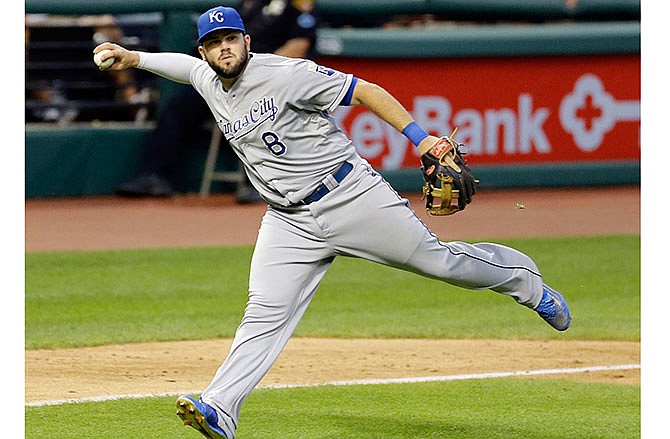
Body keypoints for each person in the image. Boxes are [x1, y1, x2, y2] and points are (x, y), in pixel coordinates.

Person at [94, 6, 571, 438]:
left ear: (247, 41)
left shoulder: (287, 74)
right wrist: (133, 58)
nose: (225, 48)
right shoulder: (208, 79)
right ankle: (220, 408)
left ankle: (524, 280)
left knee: (439, 262)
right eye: (215, 42)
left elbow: (366, 91)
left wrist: (420, 139)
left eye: (232, 38)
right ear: (205, 50)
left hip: (349, 196)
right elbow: (185, 69)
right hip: (287, 221)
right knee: (264, 310)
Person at [115, 0, 319, 202]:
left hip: (269, 85)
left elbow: (298, 47)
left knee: (267, 113)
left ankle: (268, 184)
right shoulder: (249, 6)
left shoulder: (296, 5)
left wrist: (258, 74)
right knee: (180, 106)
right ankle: (153, 175)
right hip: (226, 80)